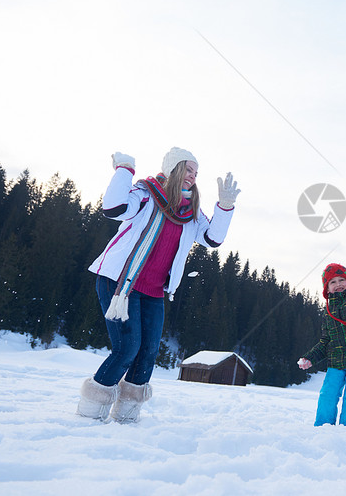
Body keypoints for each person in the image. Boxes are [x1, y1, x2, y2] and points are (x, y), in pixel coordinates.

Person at [77, 147, 240, 423]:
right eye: (188, 169)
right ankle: (90, 412)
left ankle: (126, 416)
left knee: (149, 351)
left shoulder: (190, 212)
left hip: (153, 291)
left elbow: (212, 239)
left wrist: (224, 207)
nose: (192, 176)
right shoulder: (145, 194)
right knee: (128, 347)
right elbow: (113, 208)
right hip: (119, 283)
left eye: (196, 173)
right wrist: (125, 170)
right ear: (173, 168)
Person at [297, 263, 346, 428]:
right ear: (327, 288)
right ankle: (322, 427)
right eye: (332, 282)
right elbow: (326, 340)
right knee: (328, 394)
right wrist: (310, 357)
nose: (338, 284)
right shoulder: (328, 310)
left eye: (342, 280)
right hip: (336, 362)